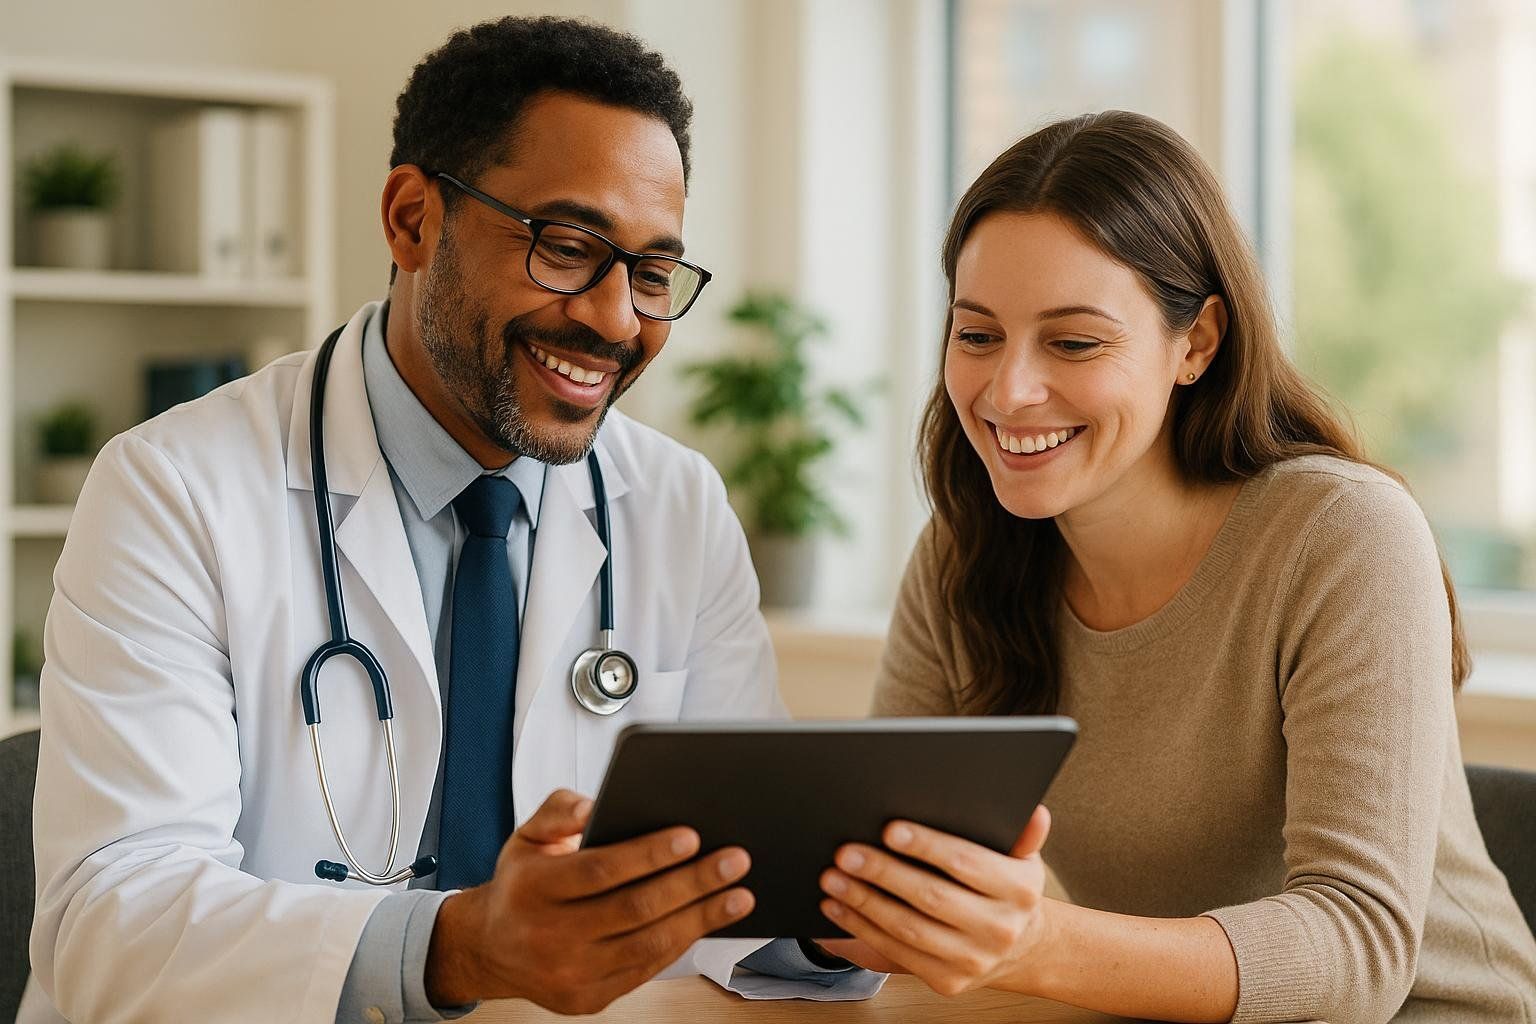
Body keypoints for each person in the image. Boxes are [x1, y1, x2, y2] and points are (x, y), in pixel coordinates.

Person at [23, 17, 879, 1024]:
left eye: (651, 273)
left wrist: (829, 915)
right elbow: (112, 922)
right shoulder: (172, 491)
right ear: (412, 220)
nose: (615, 319)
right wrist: (459, 948)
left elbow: (735, 871)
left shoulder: (678, 506)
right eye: (567, 247)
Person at [817, 111, 1536, 1022]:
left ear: (1195, 342)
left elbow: (1359, 947)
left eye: (1073, 342)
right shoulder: (967, 552)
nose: (1007, 391)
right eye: (977, 335)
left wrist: (1033, 941)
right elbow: (892, 866)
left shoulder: (1343, 535)